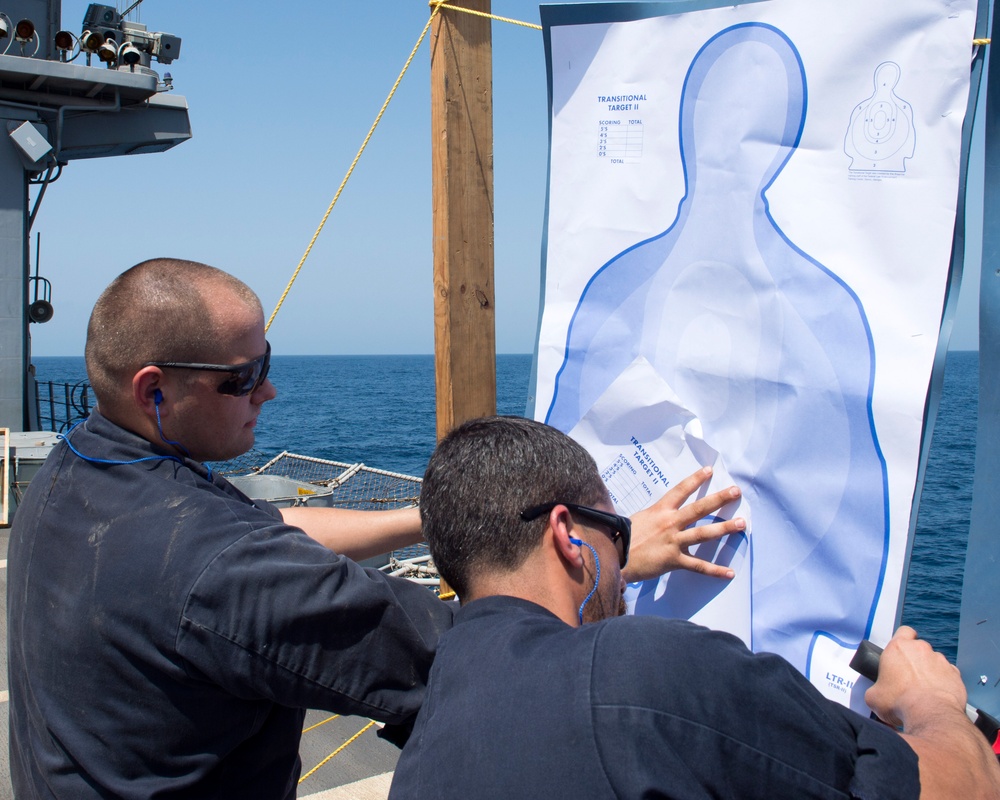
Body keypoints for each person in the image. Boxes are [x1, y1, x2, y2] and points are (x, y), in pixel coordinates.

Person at [7, 259, 742, 799]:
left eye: (266, 362)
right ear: (153, 388)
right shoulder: (214, 568)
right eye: (242, 376)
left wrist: (439, 518)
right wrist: (603, 553)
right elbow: (470, 657)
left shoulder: (78, 471)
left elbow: (270, 521)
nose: (267, 388)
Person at [390, 416, 1000, 800]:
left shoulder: (430, 725)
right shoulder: (638, 669)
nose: (624, 577)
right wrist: (931, 703)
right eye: (619, 530)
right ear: (566, 534)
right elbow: (959, 787)